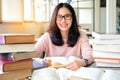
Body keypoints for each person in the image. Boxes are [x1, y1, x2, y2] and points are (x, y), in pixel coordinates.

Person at [35, 3, 94, 71]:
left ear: (73, 18)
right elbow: (32, 53)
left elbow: (90, 55)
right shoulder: (47, 36)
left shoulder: (81, 35)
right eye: (59, 17)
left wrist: (82, 62)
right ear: (55, 19)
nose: (63, 20)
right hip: (52, 75)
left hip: (72, 75)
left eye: (67, 16)